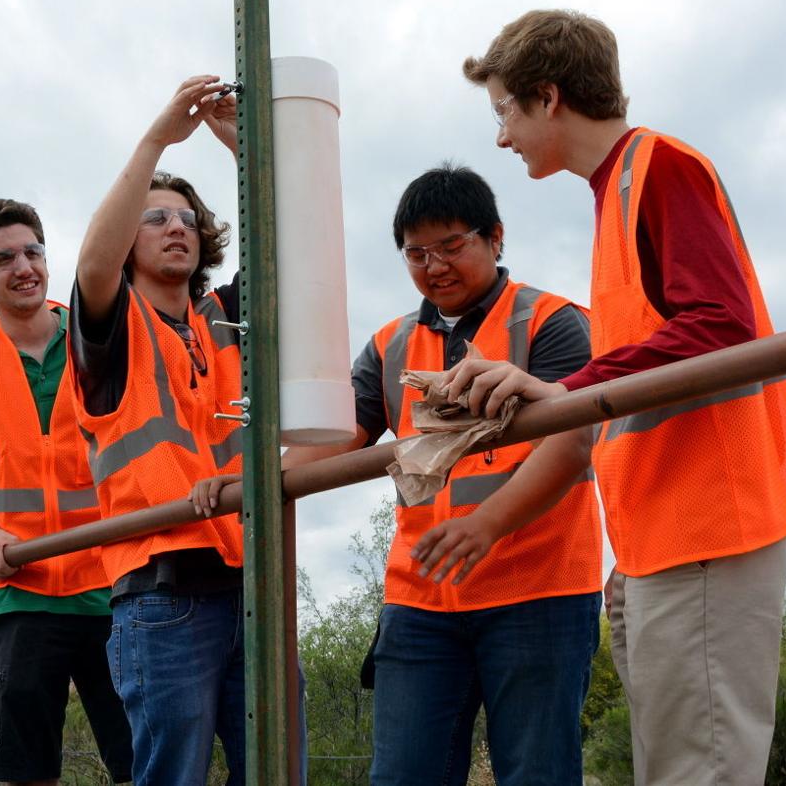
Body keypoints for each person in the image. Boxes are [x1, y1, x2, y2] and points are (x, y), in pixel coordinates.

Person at [418, 10, 786, 785]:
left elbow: (719, 325)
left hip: (707, 531)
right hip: (665, 536)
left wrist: (562, 389)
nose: (502, 137)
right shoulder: (615, 190)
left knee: (697, 772)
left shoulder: (658, 167)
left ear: (549, 97)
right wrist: (633, 551)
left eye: (505, 111)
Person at [200, 164, 603, 784]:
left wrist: (486, 525)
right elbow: (339, 440)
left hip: (539, 591)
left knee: (537, 773)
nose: (434, 265)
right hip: (422, 598)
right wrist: (247, 483)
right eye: (416, 253)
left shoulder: (549, 321)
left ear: (495, 237)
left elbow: (573, 443)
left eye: (451, 245)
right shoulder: (391, 344)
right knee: (402, 774)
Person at [67, 75, 277, 786]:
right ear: (130, 239)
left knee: (278, 769)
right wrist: (158, 138)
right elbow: (93, 265)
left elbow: (290, 243)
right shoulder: (111, 326)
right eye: (155, 218)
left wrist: (247, 153)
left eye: (186, 217)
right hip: (164, 594)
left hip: (255, 587)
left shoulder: (226, 319)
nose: (177, 226)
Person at [0, 199, 133, 785]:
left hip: (116, 580)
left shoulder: (102, 335)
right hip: (15, 590)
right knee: (24, 768)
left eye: (33, 252)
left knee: (144, 759)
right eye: (3, 259)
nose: (24, 267)